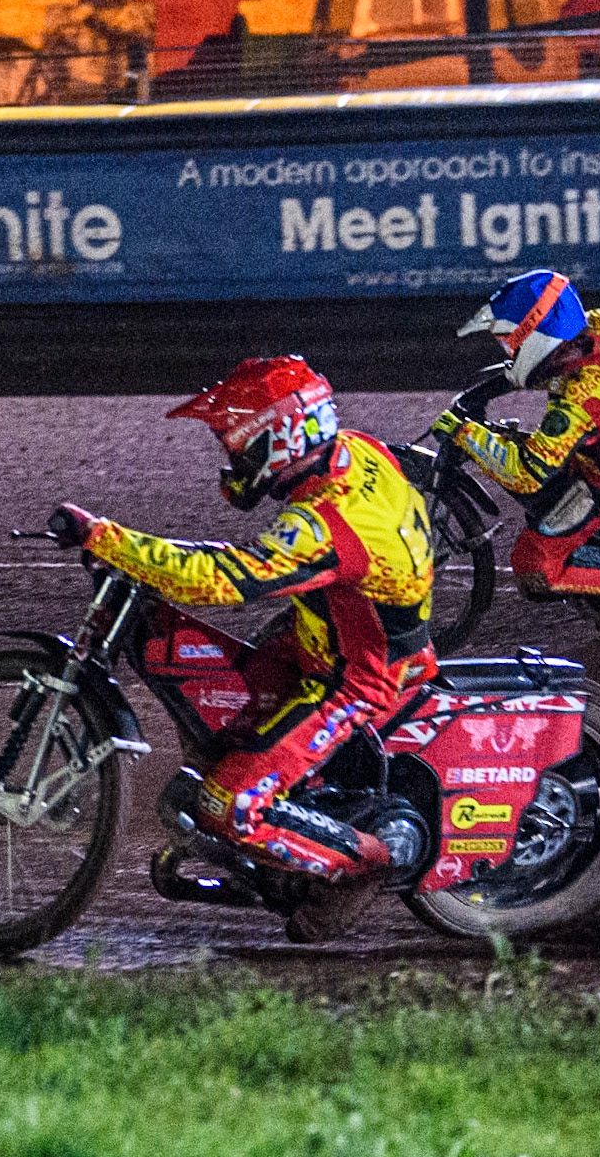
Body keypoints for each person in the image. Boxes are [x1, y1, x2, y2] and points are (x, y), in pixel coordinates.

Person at [48, 355, 437, 942]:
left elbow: (221, 580)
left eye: (238, 446)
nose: (232, 460)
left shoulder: (332, 522)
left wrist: (108, 538)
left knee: (227, 804)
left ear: (280, 441)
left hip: (354, 679)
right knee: (214, 697)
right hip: (320, 636)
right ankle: (293, 815)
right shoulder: (355, 451)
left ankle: (364, 863)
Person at [437, 268, 600, 629]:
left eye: (512, 342)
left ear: (540, 332)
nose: (509, 350)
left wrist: (464, 433)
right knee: (513, 448)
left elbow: (525, 475)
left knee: (534, 566)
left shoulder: (580, 400)